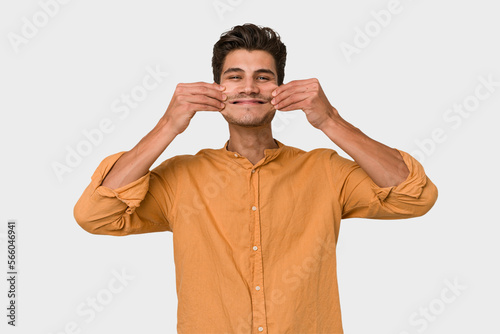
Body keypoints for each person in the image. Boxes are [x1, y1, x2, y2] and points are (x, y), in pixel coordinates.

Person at [74, 23, 438, 334]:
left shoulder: (326, 171)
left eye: (263, 77)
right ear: (218, 88)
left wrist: (329, 120)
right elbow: (96, 214)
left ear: (279, 90)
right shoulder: (179, 179)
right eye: (235, 77)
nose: (249, 88)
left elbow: (413, 195)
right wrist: (168, 126)